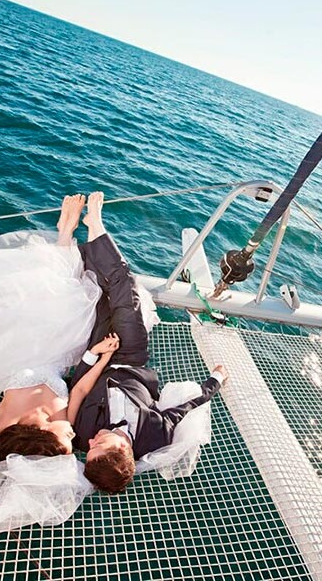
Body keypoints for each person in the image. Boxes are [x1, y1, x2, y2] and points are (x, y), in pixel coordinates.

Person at [0, 195, 116, 509]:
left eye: (66, 441)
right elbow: (80, 389)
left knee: (46, 297)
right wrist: (102, 356)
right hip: (61, 350)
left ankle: (65, 232)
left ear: (44, 435)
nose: (73, 437)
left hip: (18, 343)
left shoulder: (6, 421)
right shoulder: (65, 422)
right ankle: (67, 234)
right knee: (72, 302)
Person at [65, 191, 228, 494]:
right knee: (125, 288)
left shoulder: (80, 434)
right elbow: (186, 407)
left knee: (93, 294)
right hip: (131, 355)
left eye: (90, 448)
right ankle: (96, 225)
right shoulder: (155, 435)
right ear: (123, 449)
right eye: (99, 444)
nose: (90, 441)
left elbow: (78, 389)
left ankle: (79, 238)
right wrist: (214, 381)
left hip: (97, 356)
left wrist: (95, 355)